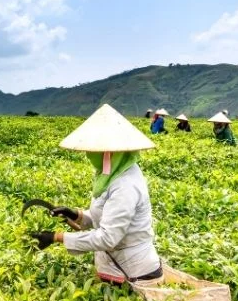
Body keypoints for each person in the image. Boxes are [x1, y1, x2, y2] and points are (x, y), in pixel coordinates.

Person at [28, 104, 163, 287]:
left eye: (94, 151)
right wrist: (75, 215)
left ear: (108, 153)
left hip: (135, 274)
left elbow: (108, 237)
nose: (89, 155)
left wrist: (56, 237)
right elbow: (105, 217)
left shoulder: (125, 184)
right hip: (114, 267)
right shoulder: (110, 174)